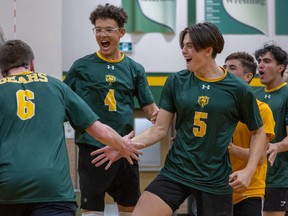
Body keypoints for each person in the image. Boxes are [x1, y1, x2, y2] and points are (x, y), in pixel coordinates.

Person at [91, 22, 267, 216]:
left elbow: (258, 131)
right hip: (177, 171)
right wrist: (123, 146)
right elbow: (159, 129)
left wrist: (249, 171)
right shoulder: (176, 81)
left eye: (190, 46)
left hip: (214, 178)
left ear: (208, 50)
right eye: (183, 45)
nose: (184, 51)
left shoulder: (239, 89)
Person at [0, 39, 141, 216]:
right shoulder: (57, 86)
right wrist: (123, 145)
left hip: (8, 188)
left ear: (2, 72)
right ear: (32, 64)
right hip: (54, 190)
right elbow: (100, 131)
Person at [63, 3, 159, 216]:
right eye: (98, 29)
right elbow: (62, 101)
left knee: (129, 206)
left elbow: (150, 109)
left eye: (108, 29)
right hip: (93, 149)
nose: (102, 34)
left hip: (125, 149)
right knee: (92, 208)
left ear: (121, 32)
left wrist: (160, 115)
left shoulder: (135, 69)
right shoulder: (81, 66)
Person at [224, 52, 275, 216]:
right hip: (217, 188)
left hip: (249, 189)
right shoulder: (218, 108)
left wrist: (230, 148)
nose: (225, 71)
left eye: (232, 68)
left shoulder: (262, 110)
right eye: (224, 67)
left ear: (247, 76)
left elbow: (260, 157)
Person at [254, 44, 288, 216]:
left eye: (266, 61)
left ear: (280, 67)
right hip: (254, 176)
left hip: (279, 176)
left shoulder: (286, 93)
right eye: (259, 61)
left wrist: (276, 146)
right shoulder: (253, 96)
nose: (260, 65)